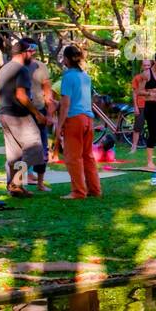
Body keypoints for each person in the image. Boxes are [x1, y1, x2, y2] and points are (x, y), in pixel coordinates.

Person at [0, 39, 47, 197]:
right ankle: (16, 183)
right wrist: (37, 113)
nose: (33, 55)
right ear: (23, 52)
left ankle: (14, 187)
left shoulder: (4, 69)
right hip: (19, 116)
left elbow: (0, 95)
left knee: (14, 155)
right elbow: (21, 95)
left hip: (5, 114)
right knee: (35, 149)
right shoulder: (21, 69)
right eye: (31, 52)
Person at [56, 44, 101, 199]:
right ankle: (94, 189)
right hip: (88, 119)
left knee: (73, 157)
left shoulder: (68, 77)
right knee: (88, 156)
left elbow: (65, 103)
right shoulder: (85, 76)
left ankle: (78, 191)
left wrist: (59, 125)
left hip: (74, 119)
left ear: (67, 59)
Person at [28, 44, 55, 191]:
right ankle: (20, 181)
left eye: (32, 50)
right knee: (20, 149)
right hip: (22, 113)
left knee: (41, 147)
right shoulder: (16, 67)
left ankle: (39, 182)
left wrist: (49, 113)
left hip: (39, 110)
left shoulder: (41, 67)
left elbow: (47, 91)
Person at [130, 58, 150, 155]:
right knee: (137, 128)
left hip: (152, 105)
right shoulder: (137, 78)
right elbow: (134, 93)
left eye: (148, 65)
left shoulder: (155, 78)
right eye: (145, 65)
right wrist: (136, 106)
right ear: (142, 66)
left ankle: (151, 147)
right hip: (141, 105)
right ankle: (134, 147)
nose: (146, 67)